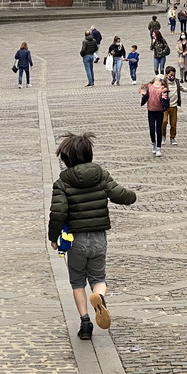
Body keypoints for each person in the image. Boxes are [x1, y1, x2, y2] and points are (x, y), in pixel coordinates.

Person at [49, 132, 136, 340]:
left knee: (77, 281)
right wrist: (132, 196)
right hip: (98, 238)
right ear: (89, 154)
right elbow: (118, 194)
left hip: (75, 241)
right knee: (99, 278)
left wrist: (53, 237)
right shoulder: (101, 174)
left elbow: (58, 212)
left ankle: (85, 323)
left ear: (66, 158)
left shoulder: (62, 182)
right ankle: (100, 296)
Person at [140, 75, 169, 157]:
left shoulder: (163, 88)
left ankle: (159, 148)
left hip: (159, 111)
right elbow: (144, 94)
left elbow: (165, 99)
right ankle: (153, 143)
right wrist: (143, 96)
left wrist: (165, 100)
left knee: (158, 130)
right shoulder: (149, 86)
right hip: (151, 111)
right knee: (152, 129)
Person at [161, 65, 182, 146]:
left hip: (174, 106)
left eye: (173, 74)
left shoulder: (176, 82)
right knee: (164, 121)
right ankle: (163, 136)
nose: (172, 76)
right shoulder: (163, 82)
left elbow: (181, 88)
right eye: (170, 75)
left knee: (173, 123)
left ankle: (172, 137)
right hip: (165, 106)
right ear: (166, 75)